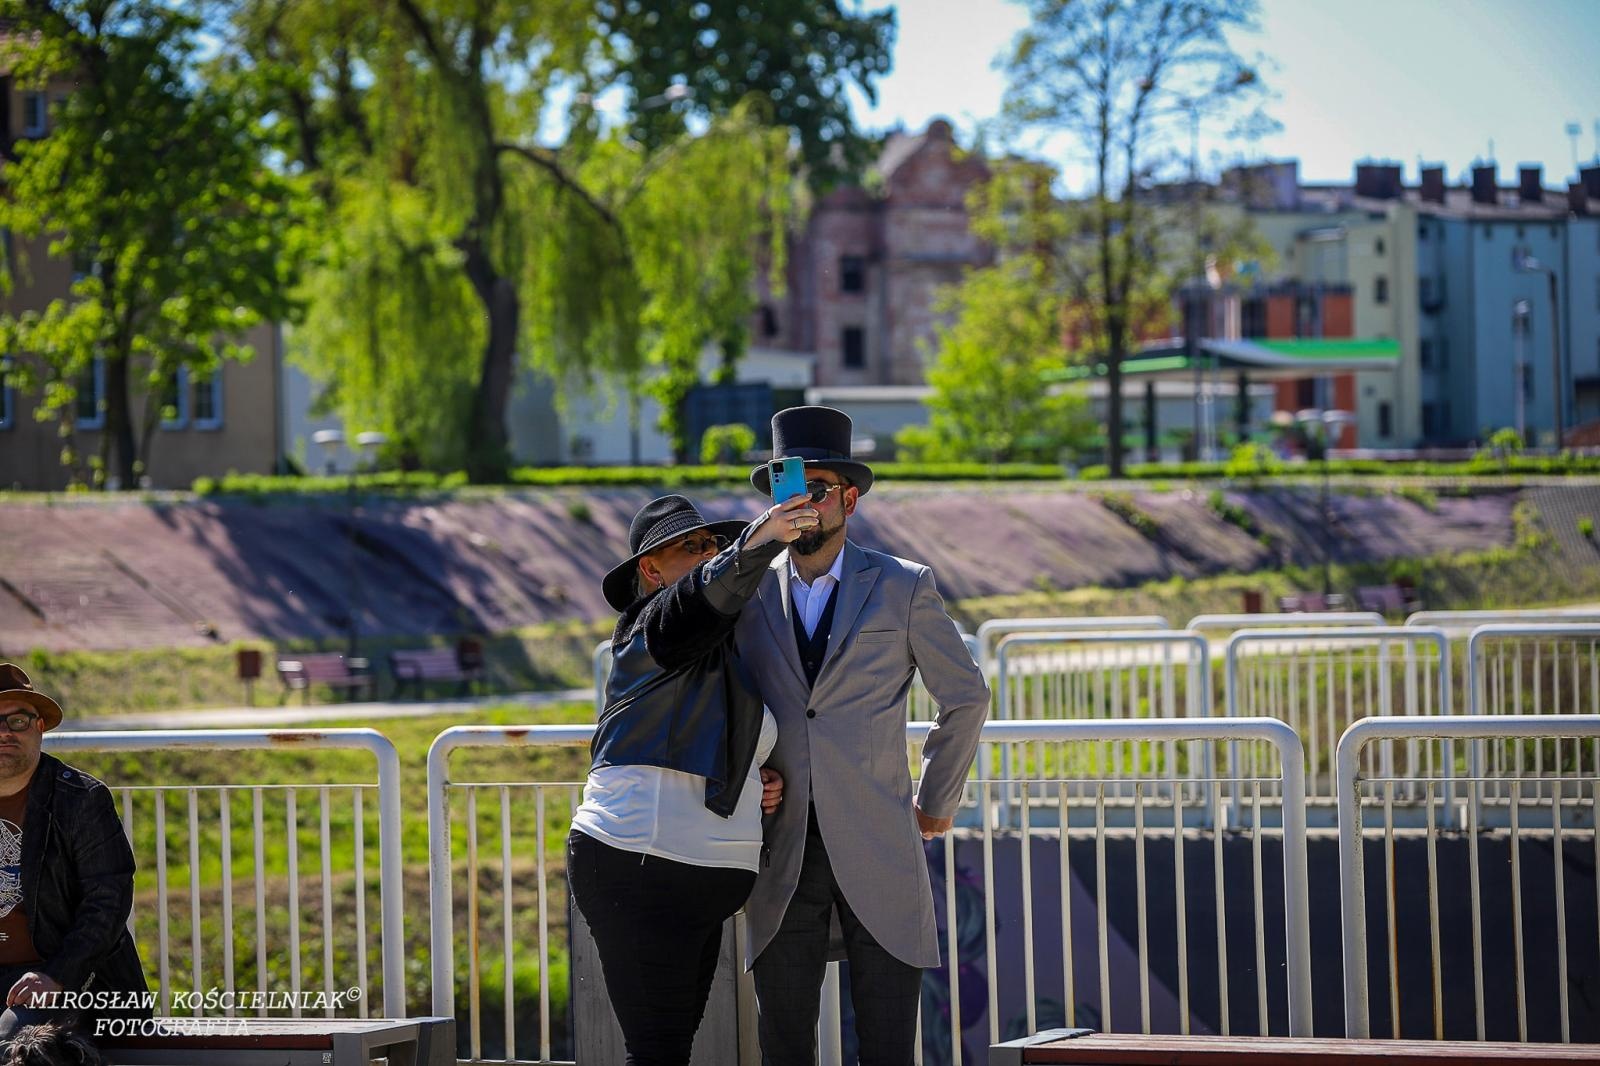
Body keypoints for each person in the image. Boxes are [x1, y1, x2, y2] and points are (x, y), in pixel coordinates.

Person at [736, 407, 990, 1066]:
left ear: (849, 497)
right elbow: (722, 704)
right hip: (780, 849)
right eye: (789, 489)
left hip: (881, 843)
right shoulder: (748, 595)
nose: (803, 505)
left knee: (887, 1047)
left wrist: (937, 805)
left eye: (817, 488)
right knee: (783, 1045)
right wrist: (741, 771)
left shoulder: (904, 586)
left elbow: (966, 697)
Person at [568, 490, 819, 1065]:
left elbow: (715, 742)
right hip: (640, 863)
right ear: (651, 571)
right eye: (690, 547)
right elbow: (706, 595)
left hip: (689, 878)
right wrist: (760, 537)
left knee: (668, 1054)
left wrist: (753, 781)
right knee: (657, 1055)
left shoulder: (724, 656)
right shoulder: (649, 628)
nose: (708, 552)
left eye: (711, 542)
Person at [0, 665, 147, 1044]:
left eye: (17, 720)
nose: (4, 732)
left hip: (71, 981)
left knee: (15, 1042)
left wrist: (57, 975)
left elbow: (108, 902)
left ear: (39, 727)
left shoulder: (80, 799)